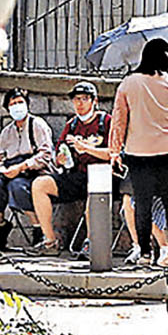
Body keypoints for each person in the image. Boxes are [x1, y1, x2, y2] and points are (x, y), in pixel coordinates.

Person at [112, 39, 168, 268]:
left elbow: (119, 121)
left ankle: (145, 253)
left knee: (142, 203)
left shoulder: (128, 83)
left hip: (138, 151)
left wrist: (115, 151)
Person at [42, 80, 112, 260]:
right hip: (77, 174)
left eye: (84, 99)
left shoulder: (106, 122)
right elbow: (59, 152)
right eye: (76, 99)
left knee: (94, 190)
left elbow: (114, 153)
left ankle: (91, 242)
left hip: (102, 174)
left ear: (94, 101)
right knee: (40, 185)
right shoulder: (72, 125)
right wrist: (60, 159)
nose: (80, 103)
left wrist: (86, 148)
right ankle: (50, 241)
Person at [0, 88, 56, 250]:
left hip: (34, 171)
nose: (17, 106)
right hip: (11, 169)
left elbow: (45, 155)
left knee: (17, 186)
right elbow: (0, 158)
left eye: (20, 102)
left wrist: (22, 167)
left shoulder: (37, 125)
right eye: (13, 104)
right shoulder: (6, 132)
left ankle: (39, 229)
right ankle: (0, 226)